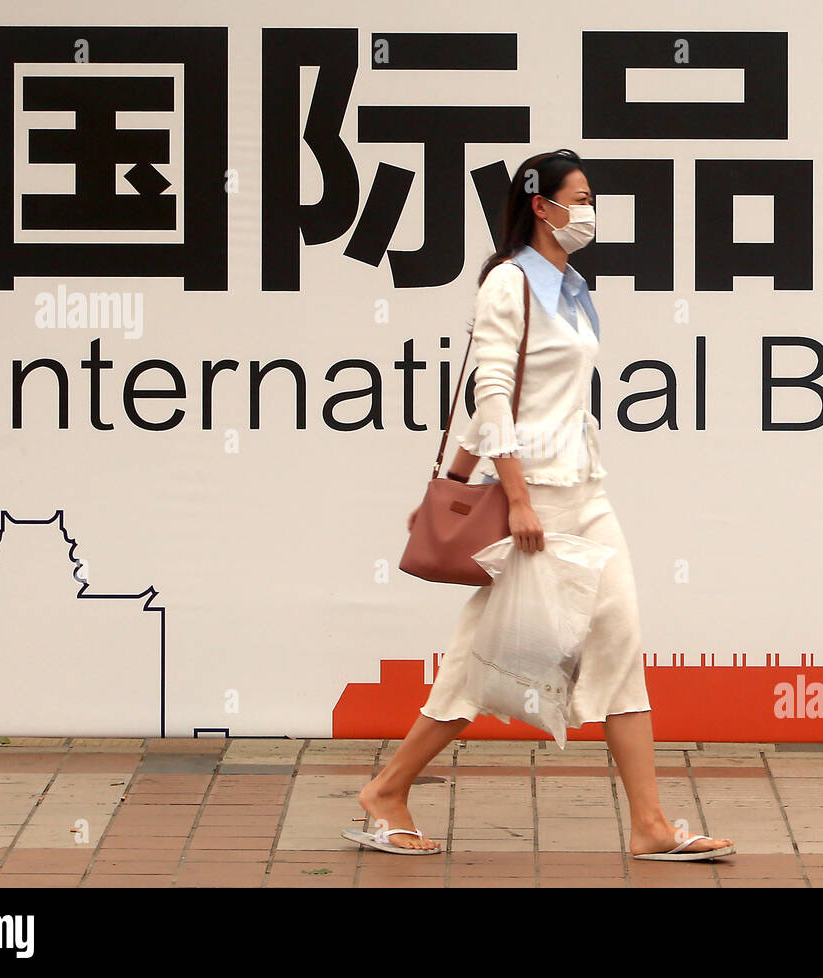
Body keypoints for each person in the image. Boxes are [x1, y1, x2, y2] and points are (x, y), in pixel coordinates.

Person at [349, 149, 734, 861]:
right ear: (541, 205)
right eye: (579, 197)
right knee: (482, 656)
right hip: (539, 504)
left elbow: (522, 397)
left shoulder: (570, 287)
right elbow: (490, 392)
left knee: (619, 636)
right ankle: (386, 790)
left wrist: (458, 483)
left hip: (586, 490)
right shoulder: (510, 284)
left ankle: (649, 824)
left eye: (592, 198)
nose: (589, 211)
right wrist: (506, 497)